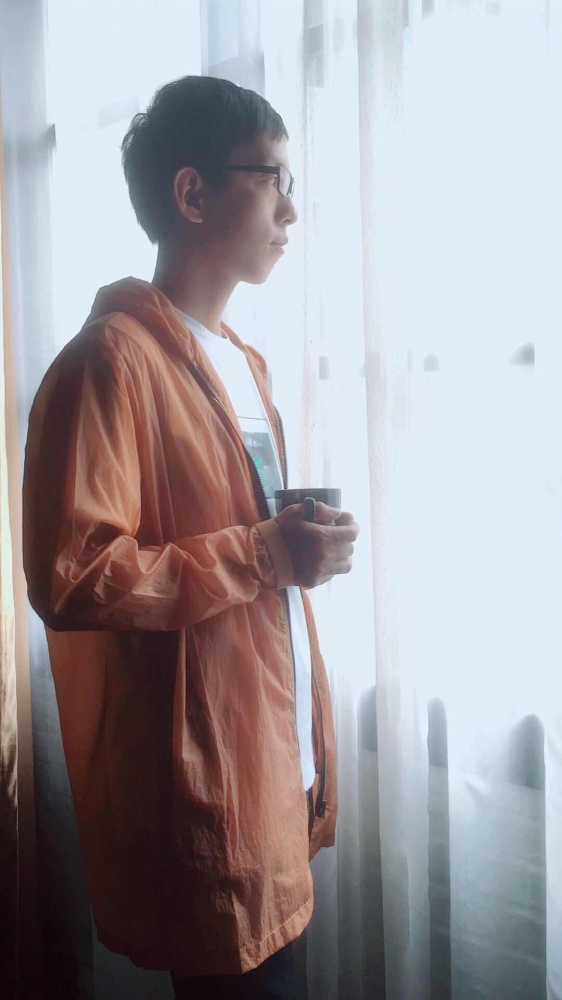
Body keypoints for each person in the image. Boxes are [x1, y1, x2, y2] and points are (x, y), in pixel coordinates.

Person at [22, 75, 360, 999]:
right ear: (192, 194)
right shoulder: (106, 363)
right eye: (273, 177)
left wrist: (299, 551)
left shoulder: (244, 363)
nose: (292, 209)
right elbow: (73, 574)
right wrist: (265, 554)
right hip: (205, 785)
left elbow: (244, 544)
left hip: (275, 758)